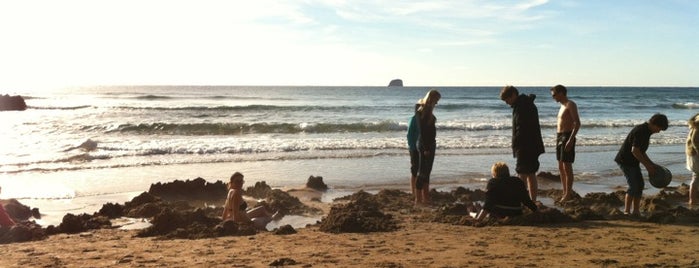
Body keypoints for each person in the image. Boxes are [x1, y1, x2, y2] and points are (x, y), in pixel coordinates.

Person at [615, 113, 669, 216]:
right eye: (659, 128)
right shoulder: (641, 131)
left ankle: (636, 211)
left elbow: (642, 151)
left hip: (633, 161)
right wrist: (648, 166)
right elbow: (635, 151)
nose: (659, 131)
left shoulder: (647, 131)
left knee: (640, 185)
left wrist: (651, 164)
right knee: (633, 186)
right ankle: (626, 211)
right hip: (625, 161)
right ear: (654, 124)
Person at [499, 85, 545, 201]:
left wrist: (516, 144)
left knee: (523, 174)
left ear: (513, 95)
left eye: (507, 99)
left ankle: (521, 201)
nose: (507, 103)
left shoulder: (522, 106)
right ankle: (531, 201)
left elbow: (522, 128)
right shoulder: (525, 104)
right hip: (531, 145)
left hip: (525, 145)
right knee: (530, 173)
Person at [551, 85, 580, 202]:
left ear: (561, 93)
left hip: (567, 135)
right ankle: (564, 192)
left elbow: (577, 123)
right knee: (560, 167)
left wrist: (570, 140)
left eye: (554, 95)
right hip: (559, 137)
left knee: (567, 166)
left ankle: (568, 193)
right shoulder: (562, 106)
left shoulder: (570, 104)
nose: (553, 97)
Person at [415, 89, 441, 206]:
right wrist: (425, 148)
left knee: (427, 172)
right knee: (422, 172)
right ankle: (418, 199)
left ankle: (426, 198)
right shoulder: (420, 110)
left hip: (431, 144)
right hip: (425, 145)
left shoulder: (429, 111)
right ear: (431, 99)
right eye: (436, 101)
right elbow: (422, 130)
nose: (437, 103)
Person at [407, 103, 421, 202]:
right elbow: (409, 135)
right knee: (414, 170)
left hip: (420, 148)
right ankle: (413, 192)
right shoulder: (413, 119)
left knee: (419, 170)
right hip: (414, 148)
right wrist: (413, 147)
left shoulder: (421, 120)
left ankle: (417, 191)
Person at [686, 113, 699, 205]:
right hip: (695, 153)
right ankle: (692, 200)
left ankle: (693, 200)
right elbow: (695, 140)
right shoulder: (698, 122)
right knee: (696, 176)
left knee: (696, 176)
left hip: (692, 152)